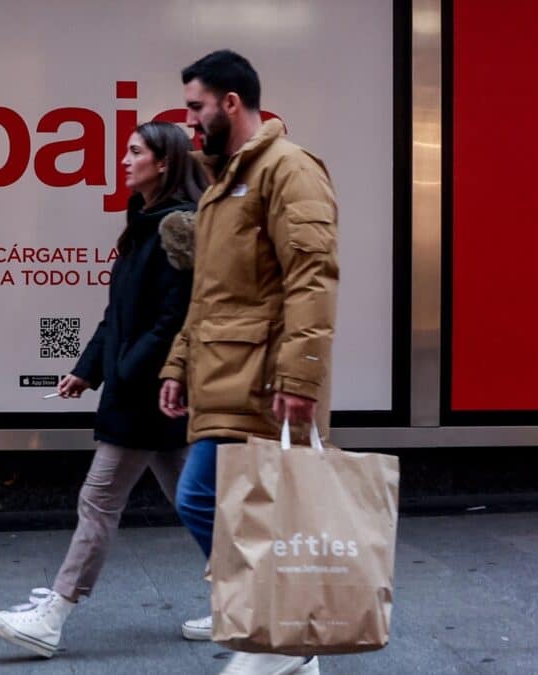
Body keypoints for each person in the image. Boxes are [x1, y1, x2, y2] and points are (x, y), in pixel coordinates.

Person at [0, 121, 209, 659]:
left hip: (150, 392)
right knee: (195, 501)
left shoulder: (178, 227)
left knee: (99, 498)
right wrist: (87, 369)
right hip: (145, 387)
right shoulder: (143, 223)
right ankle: (248, 599)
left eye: (135, 152)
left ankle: (54, 614)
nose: (123, 160)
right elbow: (119, 314)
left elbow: (175, 318)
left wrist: (126, 373)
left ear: (164, 162)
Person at [159, 50, 339, 675]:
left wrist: (301, 376)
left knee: (200, 494)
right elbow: (210, 293)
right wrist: (178, 364)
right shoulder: (222, 184)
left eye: (195, 107)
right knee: (241, 509)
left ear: (230, 103)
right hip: (223, 375)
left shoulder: (288, 170)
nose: (188, 121)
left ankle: (282, 635)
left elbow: (312, 278)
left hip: (263, 378)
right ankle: (289, 644)